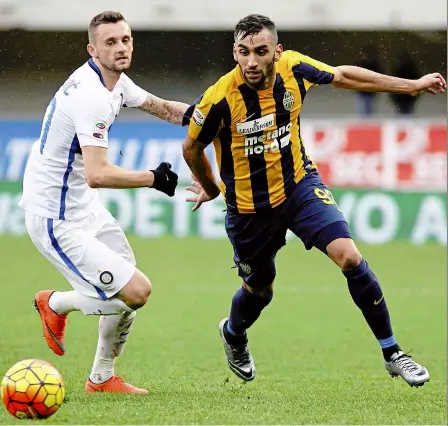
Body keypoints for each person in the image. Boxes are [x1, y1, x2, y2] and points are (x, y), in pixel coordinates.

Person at [182, 14, 446, 386]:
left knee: (350, 256)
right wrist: (210, 187)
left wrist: (409, 87)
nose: (252, 61)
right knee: (260, 290)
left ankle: (393, 352)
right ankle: (233, 334)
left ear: (278, 50)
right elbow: (192, 148)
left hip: (298, 187)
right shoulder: (219, 98)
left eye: (260, 51)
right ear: (235, 53)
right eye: (244, 52)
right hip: (248, 210)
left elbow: (343, 75)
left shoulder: (295, 68)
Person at [18, 11, 189, 394]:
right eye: (110, 43)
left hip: (83, 204)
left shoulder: (116, 82)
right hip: (54, 215)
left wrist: (208, 117)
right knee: (135, 293)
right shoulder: (91, 97)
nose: (121, 48)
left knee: (129, 285)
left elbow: (163, 108)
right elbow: (98, 172)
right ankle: (55, 302)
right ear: (92, 50)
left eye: (125, 40)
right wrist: (153, 178)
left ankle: (101, 378)